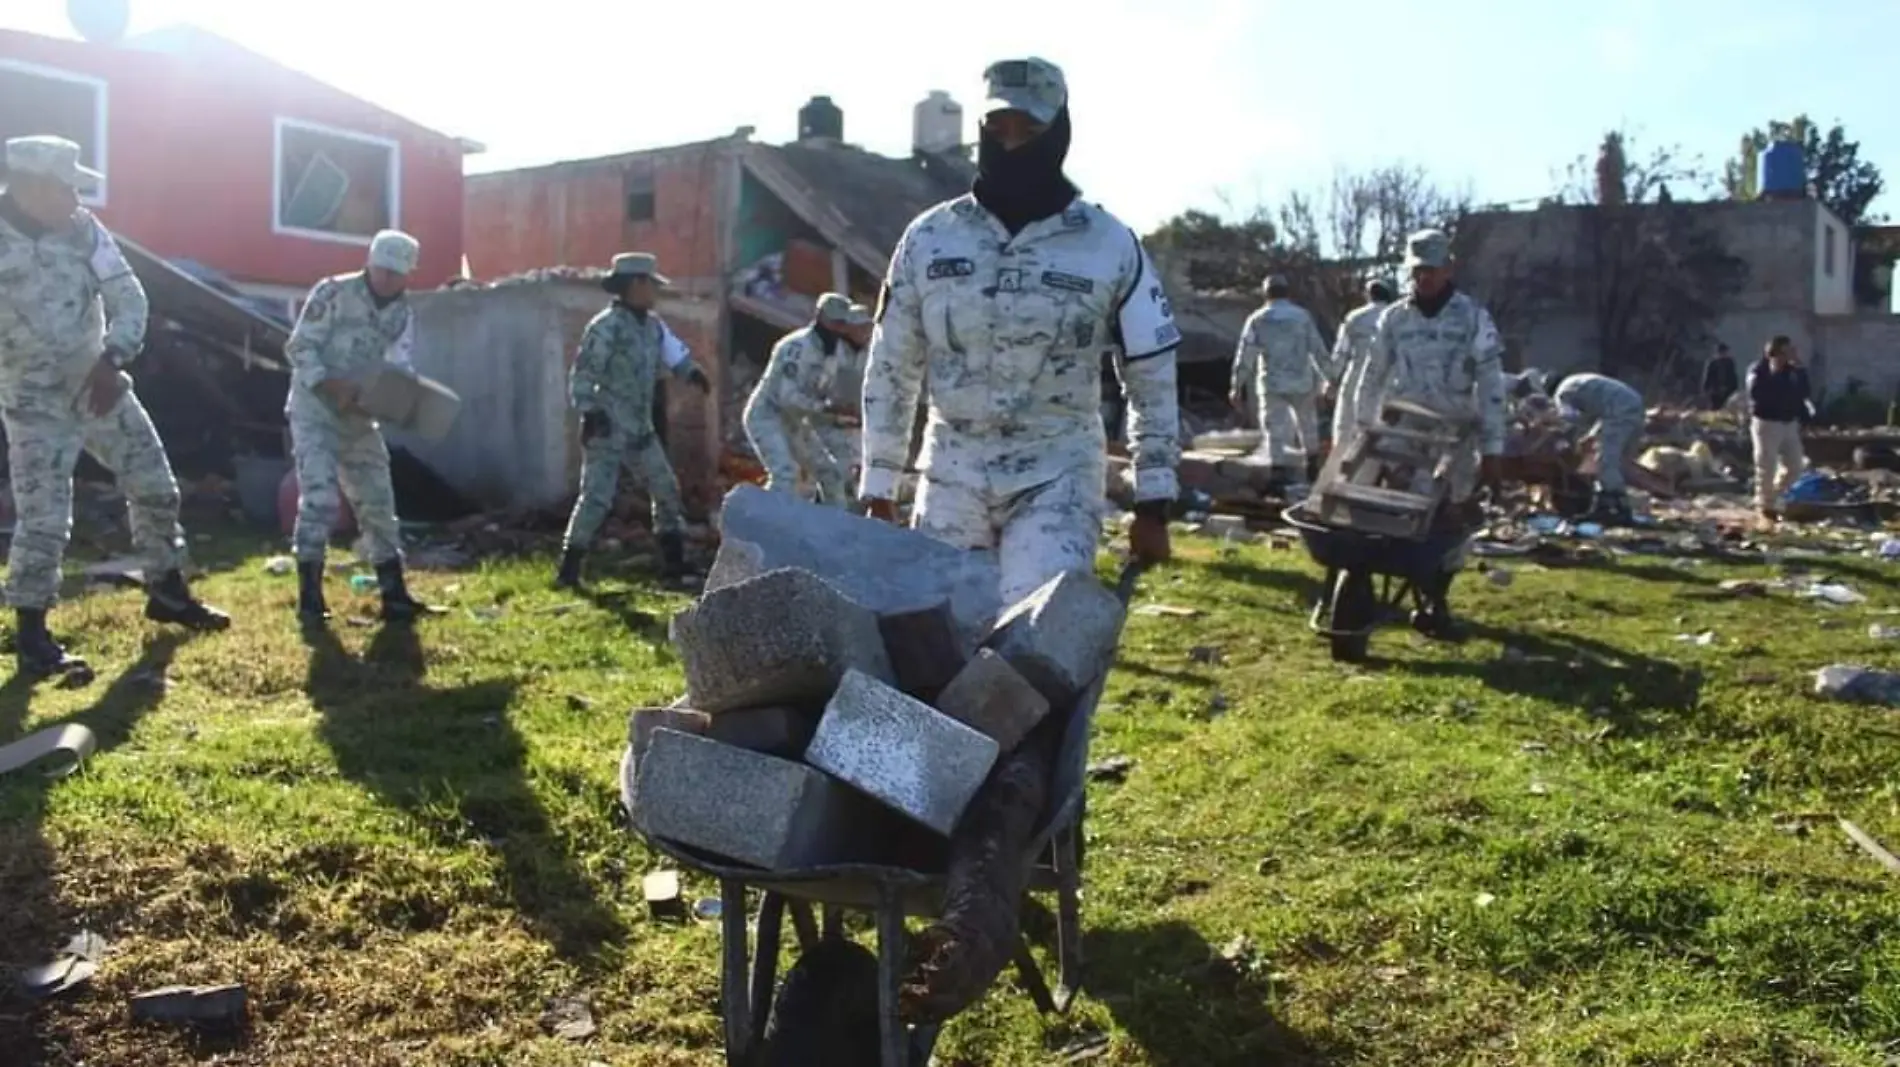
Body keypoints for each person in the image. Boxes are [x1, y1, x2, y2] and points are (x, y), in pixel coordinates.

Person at [859, 56, 1180, 605]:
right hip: (951, 475)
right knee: (938, 640)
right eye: (996, 129)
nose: (1010, 145)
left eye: (1029, 130)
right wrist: (879, 486)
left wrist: (1154, 500)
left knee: (1034, 640)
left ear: (1059, 132)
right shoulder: (930, 239)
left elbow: (1151, 376)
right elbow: (892, 366)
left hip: (1058, 476)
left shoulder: (1107, 244)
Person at [0, 134, 231, 677]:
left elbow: (129, 296)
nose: (75, 200)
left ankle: (167, 591)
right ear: (31, 186)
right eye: (65, 189)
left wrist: (114, 358)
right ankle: (31, 632)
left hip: (97, 383)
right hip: (31, 399)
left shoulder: (84, 231)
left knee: (155, 485)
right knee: (45, 518)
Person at [1349, 228, 1506, 639]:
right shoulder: (1394, 318)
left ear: (1448, 267)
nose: (1425, 279)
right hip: (1408, 430)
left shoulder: (1472, 317)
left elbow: (1490, 384)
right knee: (1397, 511)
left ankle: (1436, 598)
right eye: (1417, 271)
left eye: (1432, 270)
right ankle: (1380, 586)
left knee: (1450, 519)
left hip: (1456, 433)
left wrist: (1493, 448)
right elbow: (1372, 376)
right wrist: (1363, 433)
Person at [284, 228, 437, 624]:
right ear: (370, 262)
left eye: (396, 273)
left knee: (379, 502)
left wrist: (397, 399)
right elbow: (299, 346)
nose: (387, 279)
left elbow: (398, 365)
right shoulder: (332, 293)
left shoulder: (403, 314)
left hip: (359, 418)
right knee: (319, 500)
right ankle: (310, 599)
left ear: (408, 275)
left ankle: (395, 594)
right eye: (381, 269)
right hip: (314, 411)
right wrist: (329, 384)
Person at [555, 252, 712, 587]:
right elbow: (583, 373)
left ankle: (674, 562)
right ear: (636, 284)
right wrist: (590, 411)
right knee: (597, 497)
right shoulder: (605, 327)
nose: (654, 291)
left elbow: (675, 354)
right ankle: (568, 568)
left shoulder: (653, 326)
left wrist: (692, 372)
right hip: (609, 425)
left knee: (666, 488)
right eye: (651, 284)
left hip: (640, 427)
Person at [743, 293, 869, 507]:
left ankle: (830, 531)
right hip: (767, 416)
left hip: (796, 422)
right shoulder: (796, 347)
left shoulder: (835, 355)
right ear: (820, 318)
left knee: (830, 475)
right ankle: (767, 526)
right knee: (785, 473)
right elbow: (787, 397)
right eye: (834, 322)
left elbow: (821, 399)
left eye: (842, 323)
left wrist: (838, 417)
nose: (838, 328)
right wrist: (828, 410)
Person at [1231, 274, 1331, 487]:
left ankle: (1278, 474)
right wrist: (1329, 380)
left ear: (1266, 293)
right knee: (1308, 424)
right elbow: (1318, 350)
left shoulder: (1257, 319)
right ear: (1287, 292)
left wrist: (1236, 385)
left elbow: (1245, 355)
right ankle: (1312, 467)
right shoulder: (1302, 317)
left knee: (1274, 429)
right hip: (1301, 381)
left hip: (1271, 383)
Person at [1549, 371, 1647, 525]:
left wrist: (1561, 440)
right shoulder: (1577, 380)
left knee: (1605, 461)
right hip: (1633, 405)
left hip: (1619, 411)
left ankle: (1616, 509)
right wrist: (1592, 434)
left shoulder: (1562, 393)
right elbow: (1602, 409)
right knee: (1617, 460)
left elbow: (1569, 419)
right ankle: (1611, 506)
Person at [1746, 335, 1813, 521]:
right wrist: (1774, 371)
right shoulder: (1759, 370)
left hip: (1789, 422)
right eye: (1785, 352)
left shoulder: (1793, 372)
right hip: (1767, 422)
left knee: (1795, 465)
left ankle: (1774, 496)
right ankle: (1765, 505)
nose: (1788, 356)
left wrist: (1799, 369)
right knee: (1766, 465)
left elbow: (1804, 393)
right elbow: (1756, 394)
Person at [1328, 278, 1395, 447]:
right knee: (1383, 427)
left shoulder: (1354, 317)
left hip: (1355, 375)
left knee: (1346, 426)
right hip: (1388, 379)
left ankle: (1340, 466)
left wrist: (1331, 379)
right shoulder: (1396, 317)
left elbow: (1341, 351)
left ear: (1368, 295)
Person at [1702, 342, 1739, 412]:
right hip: (1715, 391)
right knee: (1715, 408)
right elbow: (1708, 377)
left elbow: (1733, 376)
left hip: (1728, 390)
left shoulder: (1729, 363)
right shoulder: (1712, 363)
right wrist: (1706, 389)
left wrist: (1734, 388)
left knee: (1727, 408)